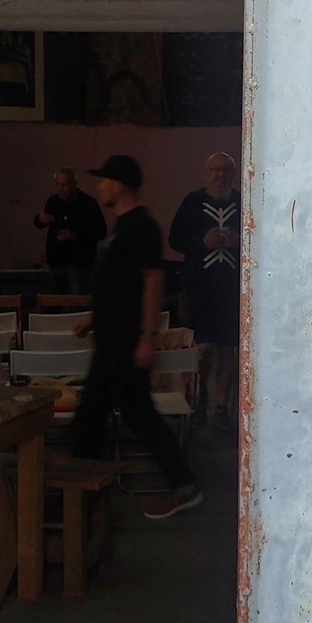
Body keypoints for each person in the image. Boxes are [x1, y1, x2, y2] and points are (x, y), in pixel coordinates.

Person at [73, 154, 202, 519]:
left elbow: (152, 282)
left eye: (104, 180)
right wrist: (95, 317)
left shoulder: (142, 227)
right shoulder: (123, 226)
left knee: (100, 418)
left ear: (119, 184)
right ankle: (81, 498)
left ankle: (77, 500)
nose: (99, 186)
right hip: (112, 338)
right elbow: (121, 284)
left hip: (124, 343)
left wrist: (147, 337)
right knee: (115, 416)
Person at [168, 152, 240, 431]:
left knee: (228, 348)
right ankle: (199, 398)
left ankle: (221, 407)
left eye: (225, 170)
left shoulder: (241, 202)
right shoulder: (192, 203)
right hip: (199, 288)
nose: (220, 175)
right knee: (204, 348)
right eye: (215, 169)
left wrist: (240, 241)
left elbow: (262, 237)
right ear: (206, 172)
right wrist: (201, 243)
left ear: (233, 174)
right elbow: (175, 239)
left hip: (231, 290)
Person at [32, 167, 106, 294]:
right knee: (52, 302)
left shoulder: (87, 203)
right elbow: (38, 222)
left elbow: (101, 232)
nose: (60, 189)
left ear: (74, 184)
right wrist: (40, 220)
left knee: (76, 302)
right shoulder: (54, 201)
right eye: (58, 184)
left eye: (64, 185)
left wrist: (74, 235)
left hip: (78, 265)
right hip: (56, 264)